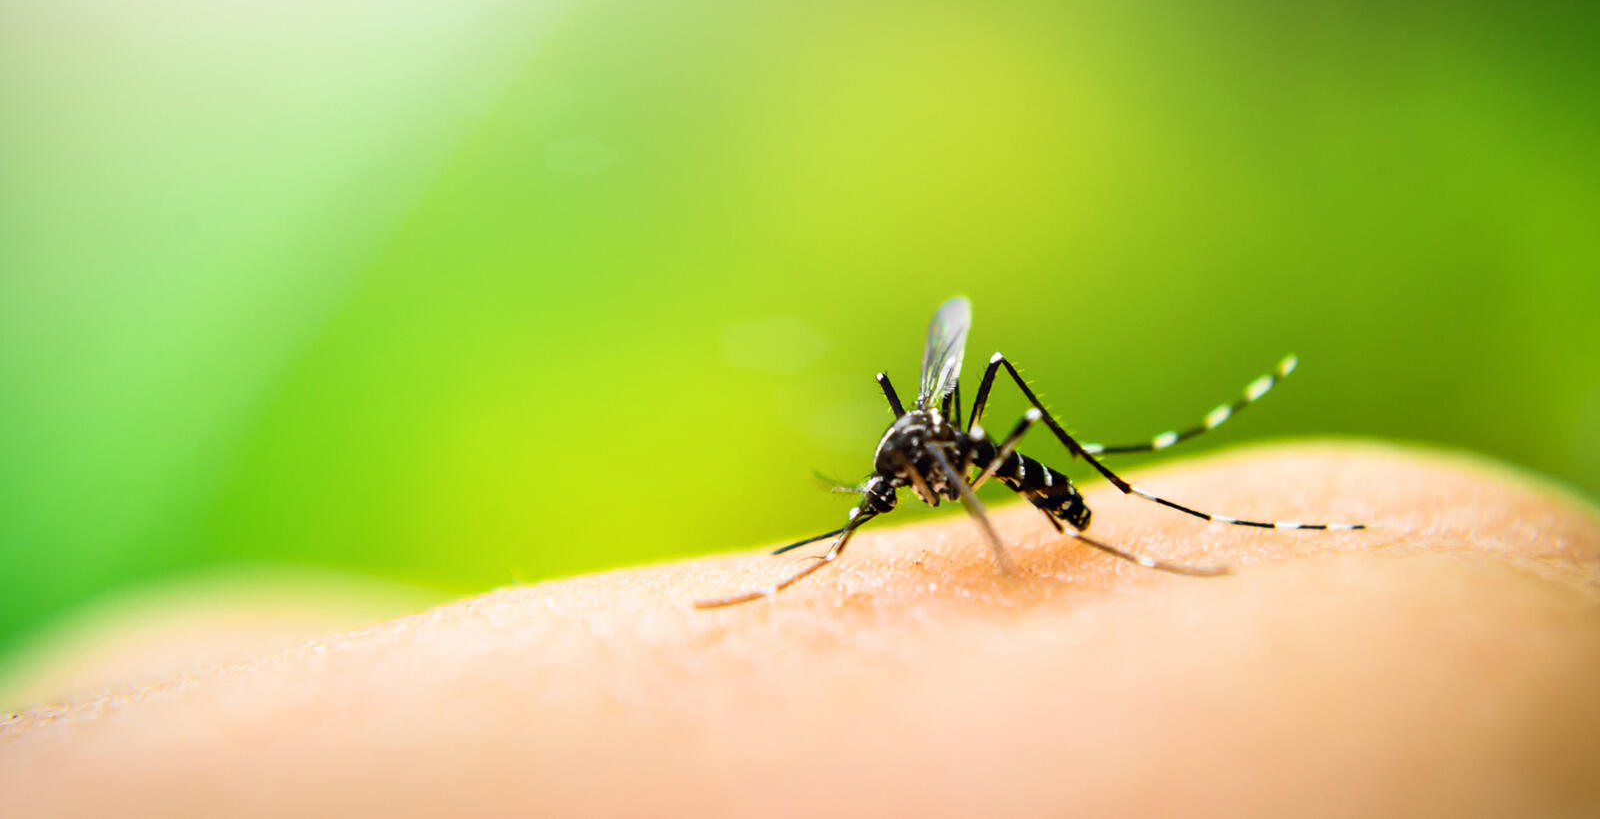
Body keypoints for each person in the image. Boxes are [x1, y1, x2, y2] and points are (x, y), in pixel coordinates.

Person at [4, 443, 1598, 817]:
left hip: (1060, 497)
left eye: (883, 495)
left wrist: (1039, 527)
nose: (885, 495)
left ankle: (1128, 529)